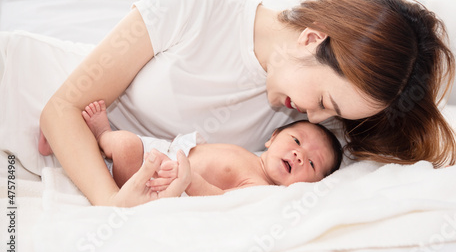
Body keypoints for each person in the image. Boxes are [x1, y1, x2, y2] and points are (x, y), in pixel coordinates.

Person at [39, 0, 456, 207]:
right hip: (28, 87)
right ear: (311, 39)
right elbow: (61, 109)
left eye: (333, 116)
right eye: (326, 102)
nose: (314, 119)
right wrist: (111, 205)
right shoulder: (194, 6)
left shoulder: (302, 130)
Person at [39, 100, 342, 196]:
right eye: (296, 141)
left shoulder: (260, 188)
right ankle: (67, 136)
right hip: (165, 152)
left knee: (127, 145)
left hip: (157, 185)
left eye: (312, 165)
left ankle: (101, 133)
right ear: (272, 138)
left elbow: (221, 199)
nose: (300, 155)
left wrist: (190, 180)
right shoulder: (251, 156)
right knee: (131, 145)